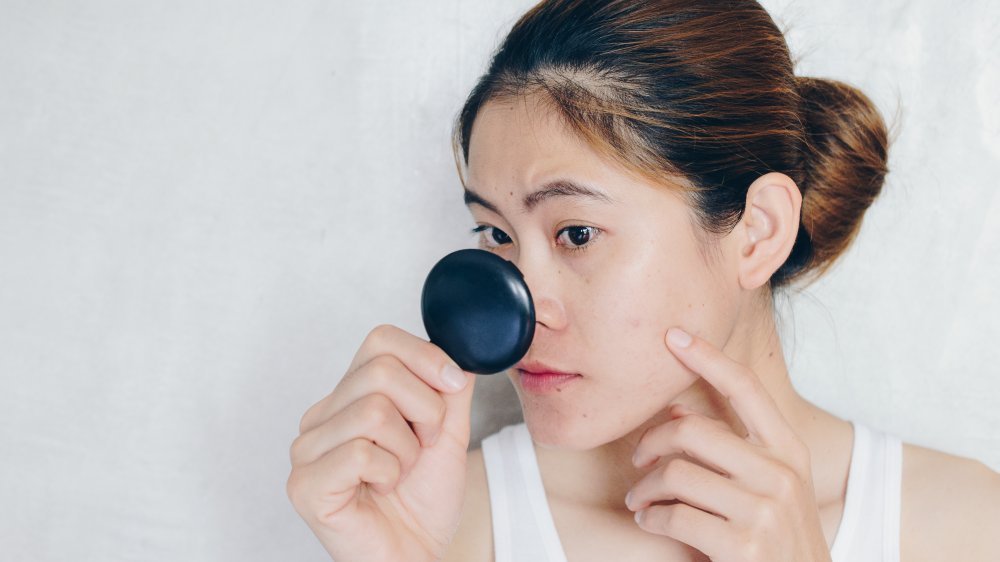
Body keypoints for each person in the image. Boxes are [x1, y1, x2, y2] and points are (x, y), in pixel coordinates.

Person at [286, 1, 1000, 560]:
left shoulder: (963, 528)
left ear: (757, 231)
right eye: (496, 235)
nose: (525, 310)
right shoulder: (444, 524)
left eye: (577, 234)